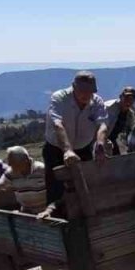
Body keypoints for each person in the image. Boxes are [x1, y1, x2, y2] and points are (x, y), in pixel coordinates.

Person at [43, 71, 109, 205]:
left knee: (86, 186)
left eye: (90, 91)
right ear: (73, 87)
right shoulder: (59, 98)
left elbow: (102, 124)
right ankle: (57, 219)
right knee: (56, 189)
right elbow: (57, 124)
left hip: (83, 149)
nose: (86, 95)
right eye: (82, 91)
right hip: (57, 149)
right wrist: (67, 150)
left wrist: (100, 144)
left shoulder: (97, 102)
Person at [0, 146, 55, 217]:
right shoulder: (11, 173)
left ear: (25, 161)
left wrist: (48, 211)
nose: (10, 165)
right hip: (27, 212)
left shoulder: (42, 170)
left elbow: (57, 192)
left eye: (13, 163)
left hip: (46, 213)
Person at [104, 86, 135, 155]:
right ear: (120, 97)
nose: (128, 101)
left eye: (132, 99)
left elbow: (129, 131)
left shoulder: (130, 114)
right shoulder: (108, 108)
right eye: (126, 98)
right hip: (99, 140)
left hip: (112, 140)